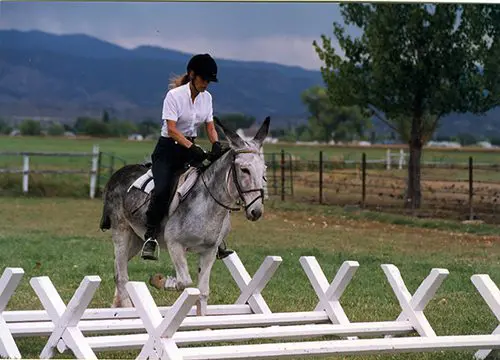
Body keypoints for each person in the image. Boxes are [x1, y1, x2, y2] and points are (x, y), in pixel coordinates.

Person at [141, 53, 234, 261]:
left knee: (211, 183)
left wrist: (216, 143)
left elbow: (210, 125)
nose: (206, 84)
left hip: (190, 148)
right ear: (192, 75)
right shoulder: (174, 96)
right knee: (163, 189)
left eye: (209, 81)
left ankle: (216, 237)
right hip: (168, 150)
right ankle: (150, 236)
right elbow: (172, 130)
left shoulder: (207, 98)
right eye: (203, 79)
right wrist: (194, 148)